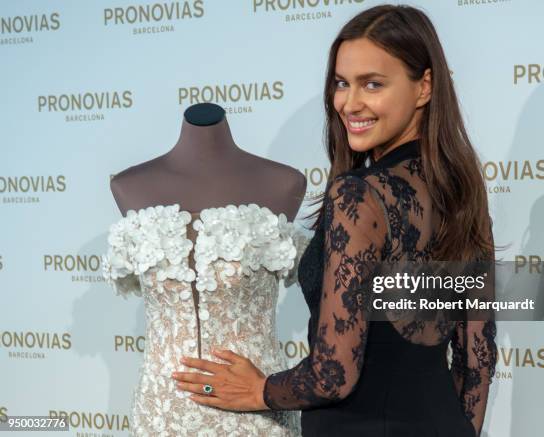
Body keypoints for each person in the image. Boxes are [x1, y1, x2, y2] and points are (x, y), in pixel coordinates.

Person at [173, 4, 497, 437]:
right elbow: (478, 359)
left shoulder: (359, 194)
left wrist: (259, 391)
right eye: (342, 83)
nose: (350, 102)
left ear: (424, 87)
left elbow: (333, 374)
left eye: (373, 84)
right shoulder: (462, 192)